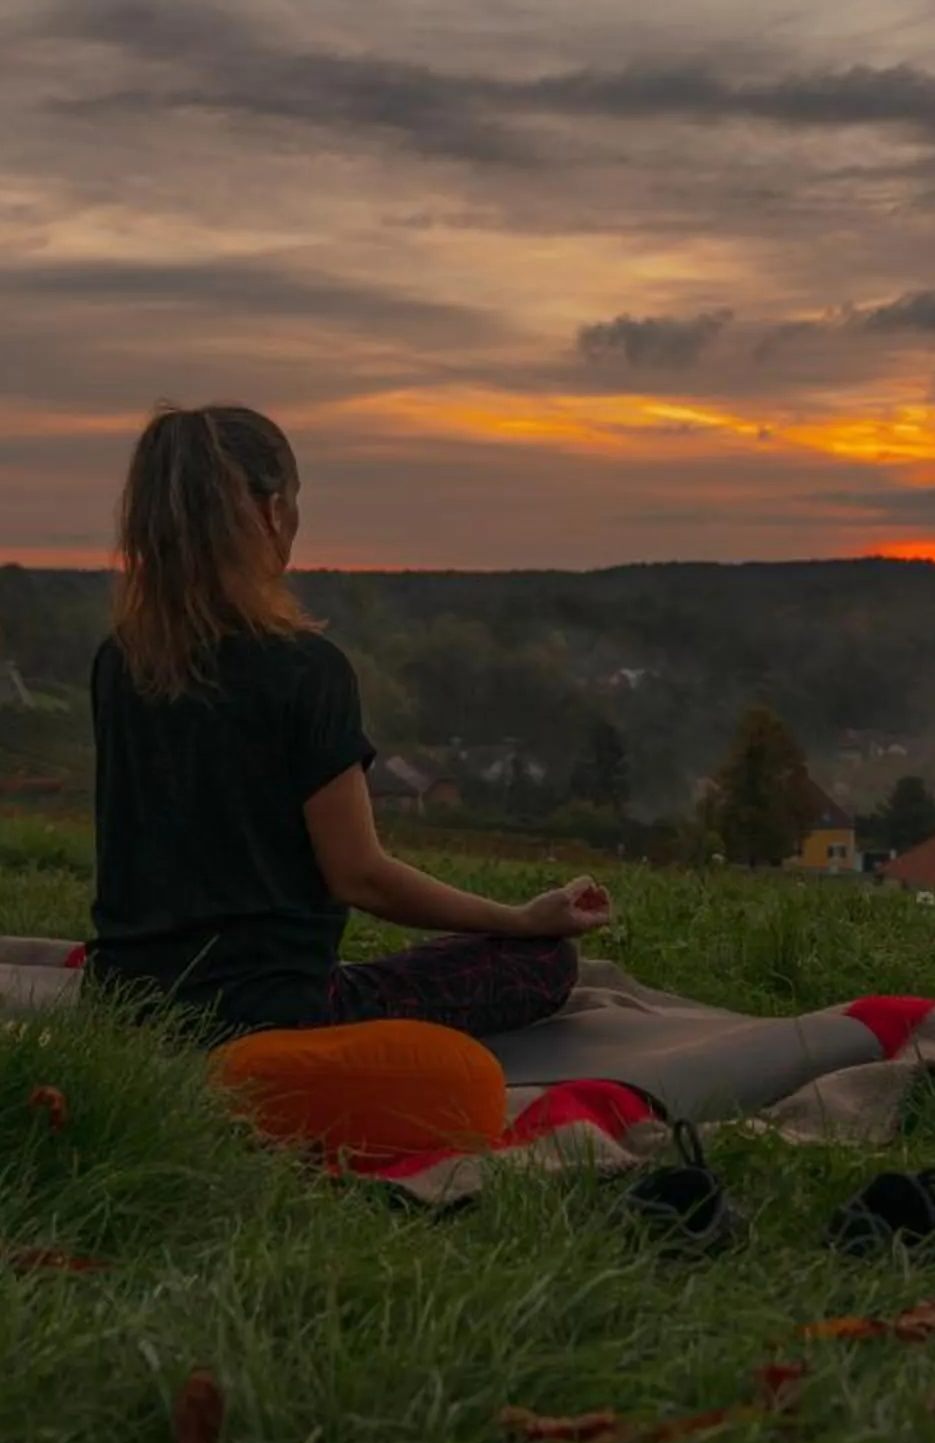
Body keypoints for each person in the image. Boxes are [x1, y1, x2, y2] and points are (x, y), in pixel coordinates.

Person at [86, 403, 614, 1040]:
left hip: (123, 1007)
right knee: (543, 964)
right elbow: (360, 874)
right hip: (272, 1016)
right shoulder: (307, 670)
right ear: (271, 512)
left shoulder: (119, 661)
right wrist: (520, 920)